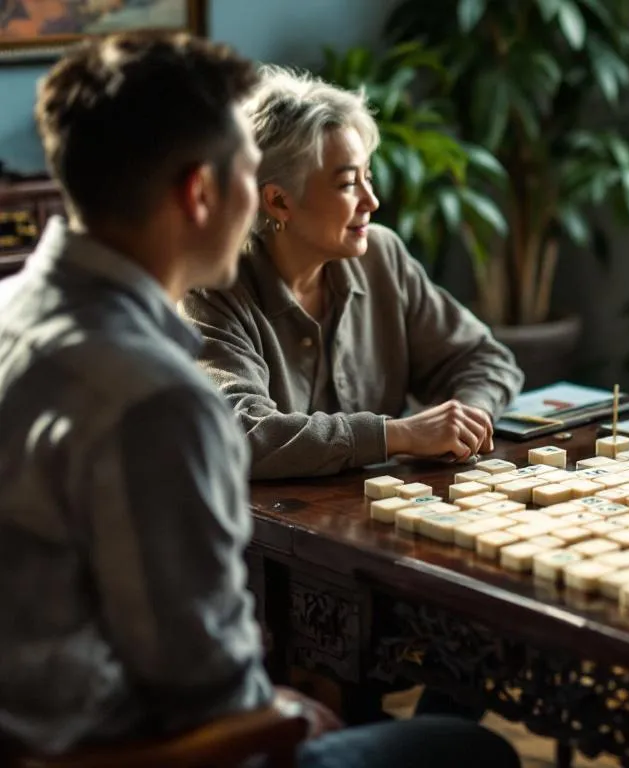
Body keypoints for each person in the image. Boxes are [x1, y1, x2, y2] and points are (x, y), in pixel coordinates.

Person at [0, 31, 518, 768]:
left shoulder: (11, 305)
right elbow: (208, 689)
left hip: (38, 717)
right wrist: (279, 711)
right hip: (138, 751)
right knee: (473, 751)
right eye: (249, 176)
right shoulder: (157, 396)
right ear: (201, 193)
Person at [179, 66, 523, 480]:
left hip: (378, 514)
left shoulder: (381, 255)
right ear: (278, 201)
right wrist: (396, 435)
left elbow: (485, 360)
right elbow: (239, 433)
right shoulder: (209, 288)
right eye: (347, 185)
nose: (372, 201)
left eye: (368, 177)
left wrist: (467, 420)